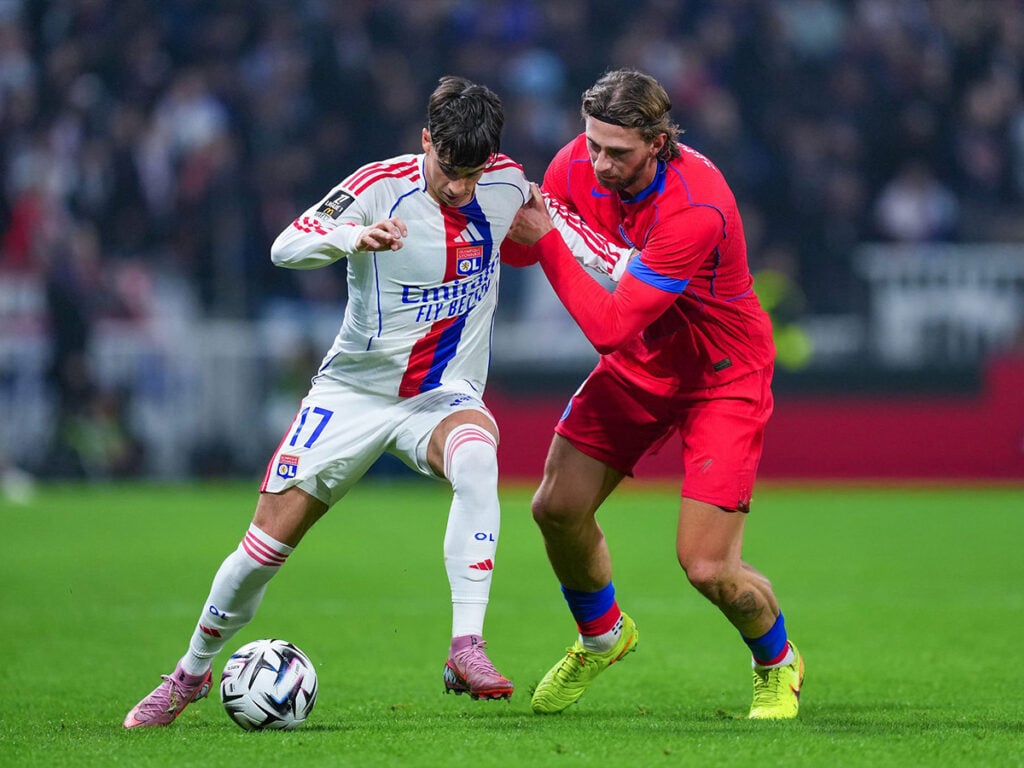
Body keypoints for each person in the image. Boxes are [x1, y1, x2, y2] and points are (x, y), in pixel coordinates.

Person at [124, 75, 629, 729]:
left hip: (442, 394)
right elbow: (285, 245)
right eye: (449, 169)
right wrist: (350, 239)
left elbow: (578, 237)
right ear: (426, 141)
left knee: (479, 460)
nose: (460, 188)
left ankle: (466, 647)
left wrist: (641, 270)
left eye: (472, 174)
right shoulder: (376, 186)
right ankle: (189, 673)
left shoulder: (507, 183)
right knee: (262, 549)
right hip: (354, 393)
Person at [505, 69, 804, 719]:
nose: (599, 164)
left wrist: (547, 238)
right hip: (644, 362)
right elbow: (527, 255)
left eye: (618, 152)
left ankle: (777, 661)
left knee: (707, 567)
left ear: (660, 142)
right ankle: (602, 636)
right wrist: (503, 217)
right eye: (593, 144)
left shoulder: (695, 206)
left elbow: (609, 327)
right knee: (556, 507)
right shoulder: (574, 163)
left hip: (720, 374)